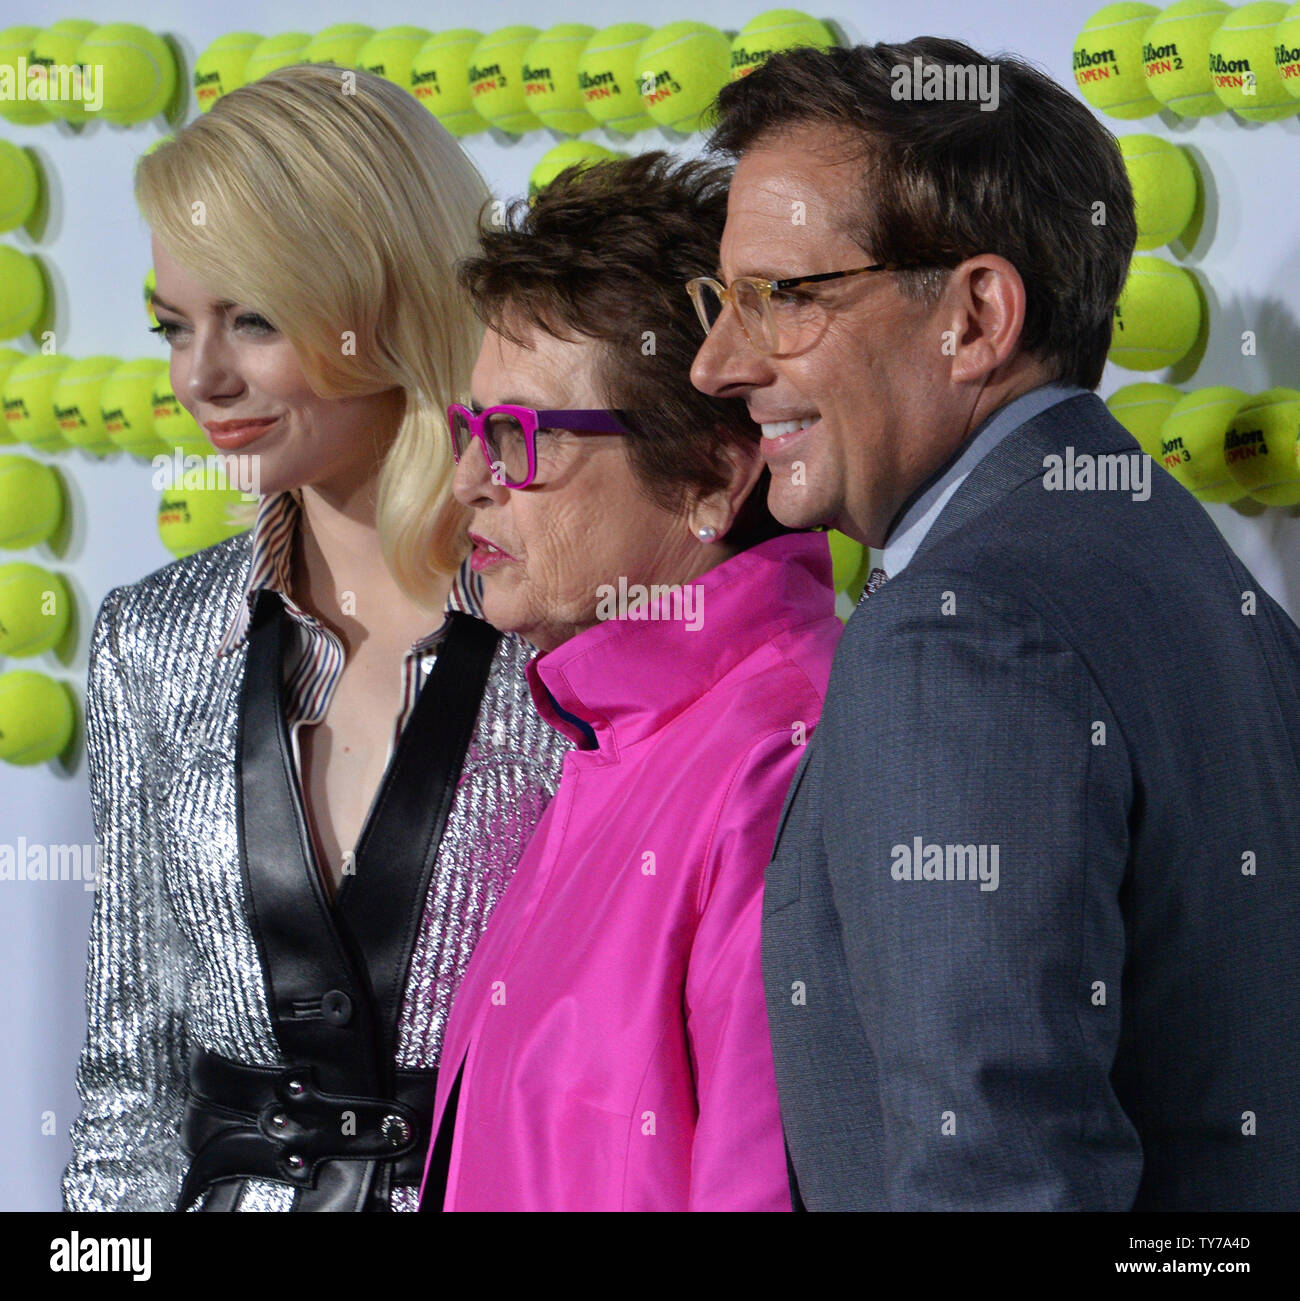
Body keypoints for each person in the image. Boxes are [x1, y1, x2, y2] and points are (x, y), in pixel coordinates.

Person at [690, 38, 1300, 1211]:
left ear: (972, 315)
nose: (719, 362)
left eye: (782, 300)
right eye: (721, 302)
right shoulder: (1174, 555)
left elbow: (996, 1175)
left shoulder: (957, 636)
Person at [62, 64, 571, 1213]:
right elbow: (129, 1084)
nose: (202, 377)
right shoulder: (152, 639)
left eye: (253, 317)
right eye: (173, 326)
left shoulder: (564, 630)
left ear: (380, 302)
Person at [413, 152, 844, 1212]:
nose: (470, 479)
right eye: (472, 429)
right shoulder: (612, 724)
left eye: (517, 436)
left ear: (709, 471)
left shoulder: (776, 764)